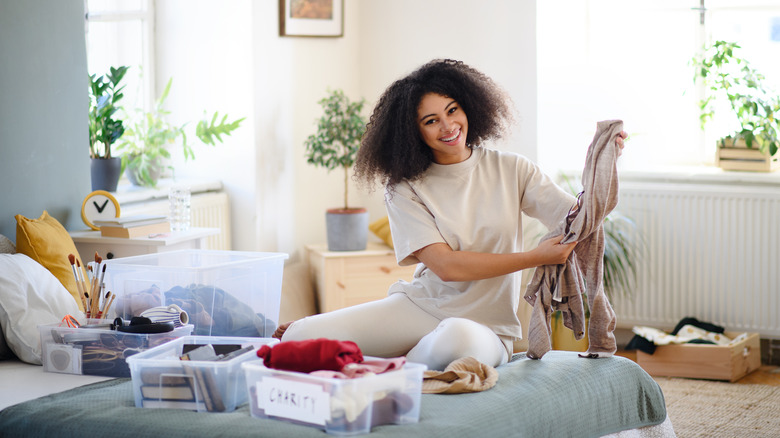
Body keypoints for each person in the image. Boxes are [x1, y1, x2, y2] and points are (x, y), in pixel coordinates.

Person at [275, 59, 626, 371]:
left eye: (453, 110)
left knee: (455, 340)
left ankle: (392, 366)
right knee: (300, 334)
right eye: (431, 121)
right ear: (414, 133)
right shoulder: (404, 187)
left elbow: (578, 220)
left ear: (469, 107)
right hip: (422, 307)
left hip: (486, 328)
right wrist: (535, 257)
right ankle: (394, 358)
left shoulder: (512, 169)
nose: (448, 126)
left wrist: (605, 164)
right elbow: (447, 266)